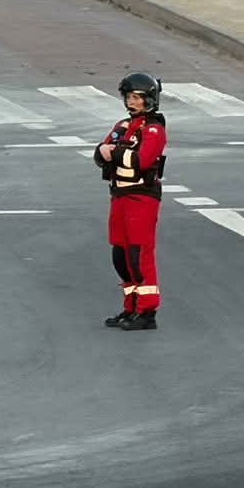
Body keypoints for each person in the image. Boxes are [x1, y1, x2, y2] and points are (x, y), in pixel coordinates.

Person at [97, 73, 167, 331]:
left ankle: (147, 312)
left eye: (137, 97)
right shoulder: (123, 125)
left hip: (142, 197)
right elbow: (99, 154)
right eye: (129, 97)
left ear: (149, 99)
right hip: (119, 196)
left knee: (139, 254)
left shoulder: (154, 129)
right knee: (120, 255)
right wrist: (113, 153)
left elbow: (142, 161)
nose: (132, 102)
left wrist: (114, 152)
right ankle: (131, 308)